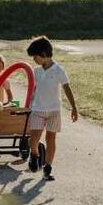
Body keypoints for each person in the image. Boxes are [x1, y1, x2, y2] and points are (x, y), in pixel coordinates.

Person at [25, 36, 78, 181]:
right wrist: (29, 104)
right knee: (34, 139)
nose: (34, 59)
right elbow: (33, 90)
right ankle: (34, 155)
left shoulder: (58, 70)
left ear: (43, 54)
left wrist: (74, 108)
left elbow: (67, 88)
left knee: (51, 140)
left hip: (54, 110)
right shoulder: (36, 71)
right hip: (38, 110)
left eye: (35, 56)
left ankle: (47, 168)